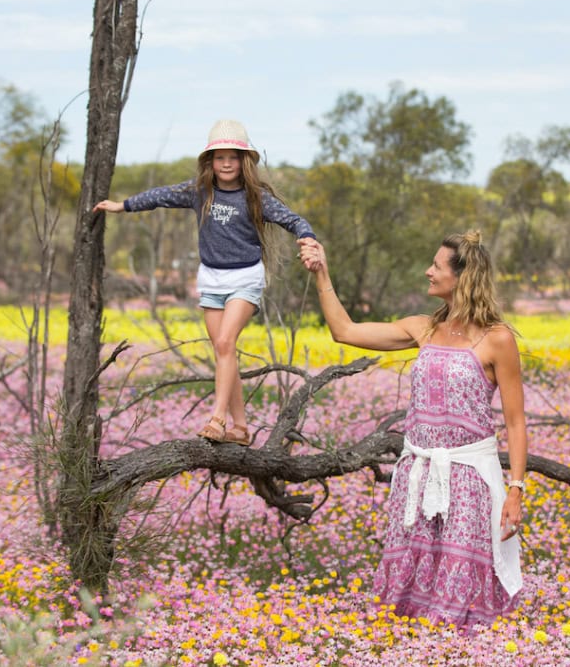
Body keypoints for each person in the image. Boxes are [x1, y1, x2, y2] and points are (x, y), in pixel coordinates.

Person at [298, 231, 526, 631]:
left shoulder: (498, 339)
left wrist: (516, 490)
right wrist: (322, 272)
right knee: (413, 590)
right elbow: (344, 331)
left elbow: (515, 422)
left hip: (469, 480)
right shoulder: (421, 328)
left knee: (461, 594)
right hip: (417, 476)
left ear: (463, 277)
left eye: (436, 266)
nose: (428, 271)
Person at [94, 119, 318, 446]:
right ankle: (240, 429)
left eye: (233, 156)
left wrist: (307, 239)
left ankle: (217, 418)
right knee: (223, 352)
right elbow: (159, 196)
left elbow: (294, 220)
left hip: (245, 276)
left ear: (245, 162)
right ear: (209, 162)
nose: (226, 163)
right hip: (211, 278)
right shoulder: (200, 193)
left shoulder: (256, 197)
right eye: (219, 157)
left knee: (226, 344)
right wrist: (122, 206)